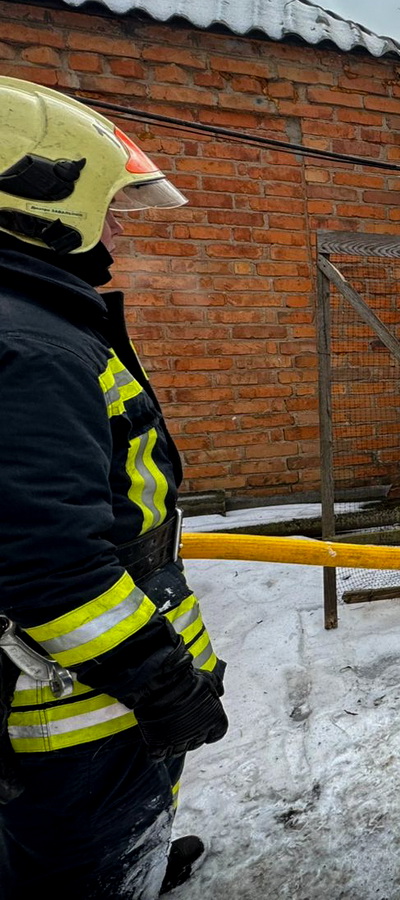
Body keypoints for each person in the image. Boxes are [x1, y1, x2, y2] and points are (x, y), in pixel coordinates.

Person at [0, 76, 228, 898]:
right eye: (108, 206)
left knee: (102, 840)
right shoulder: (34, 350)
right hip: (75, 705)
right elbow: (49, 565)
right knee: (85, 866)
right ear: (44, 202)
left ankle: (137, 856)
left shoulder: (31, 325)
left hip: (82, 682)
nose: (118, 226)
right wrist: (161, 680)